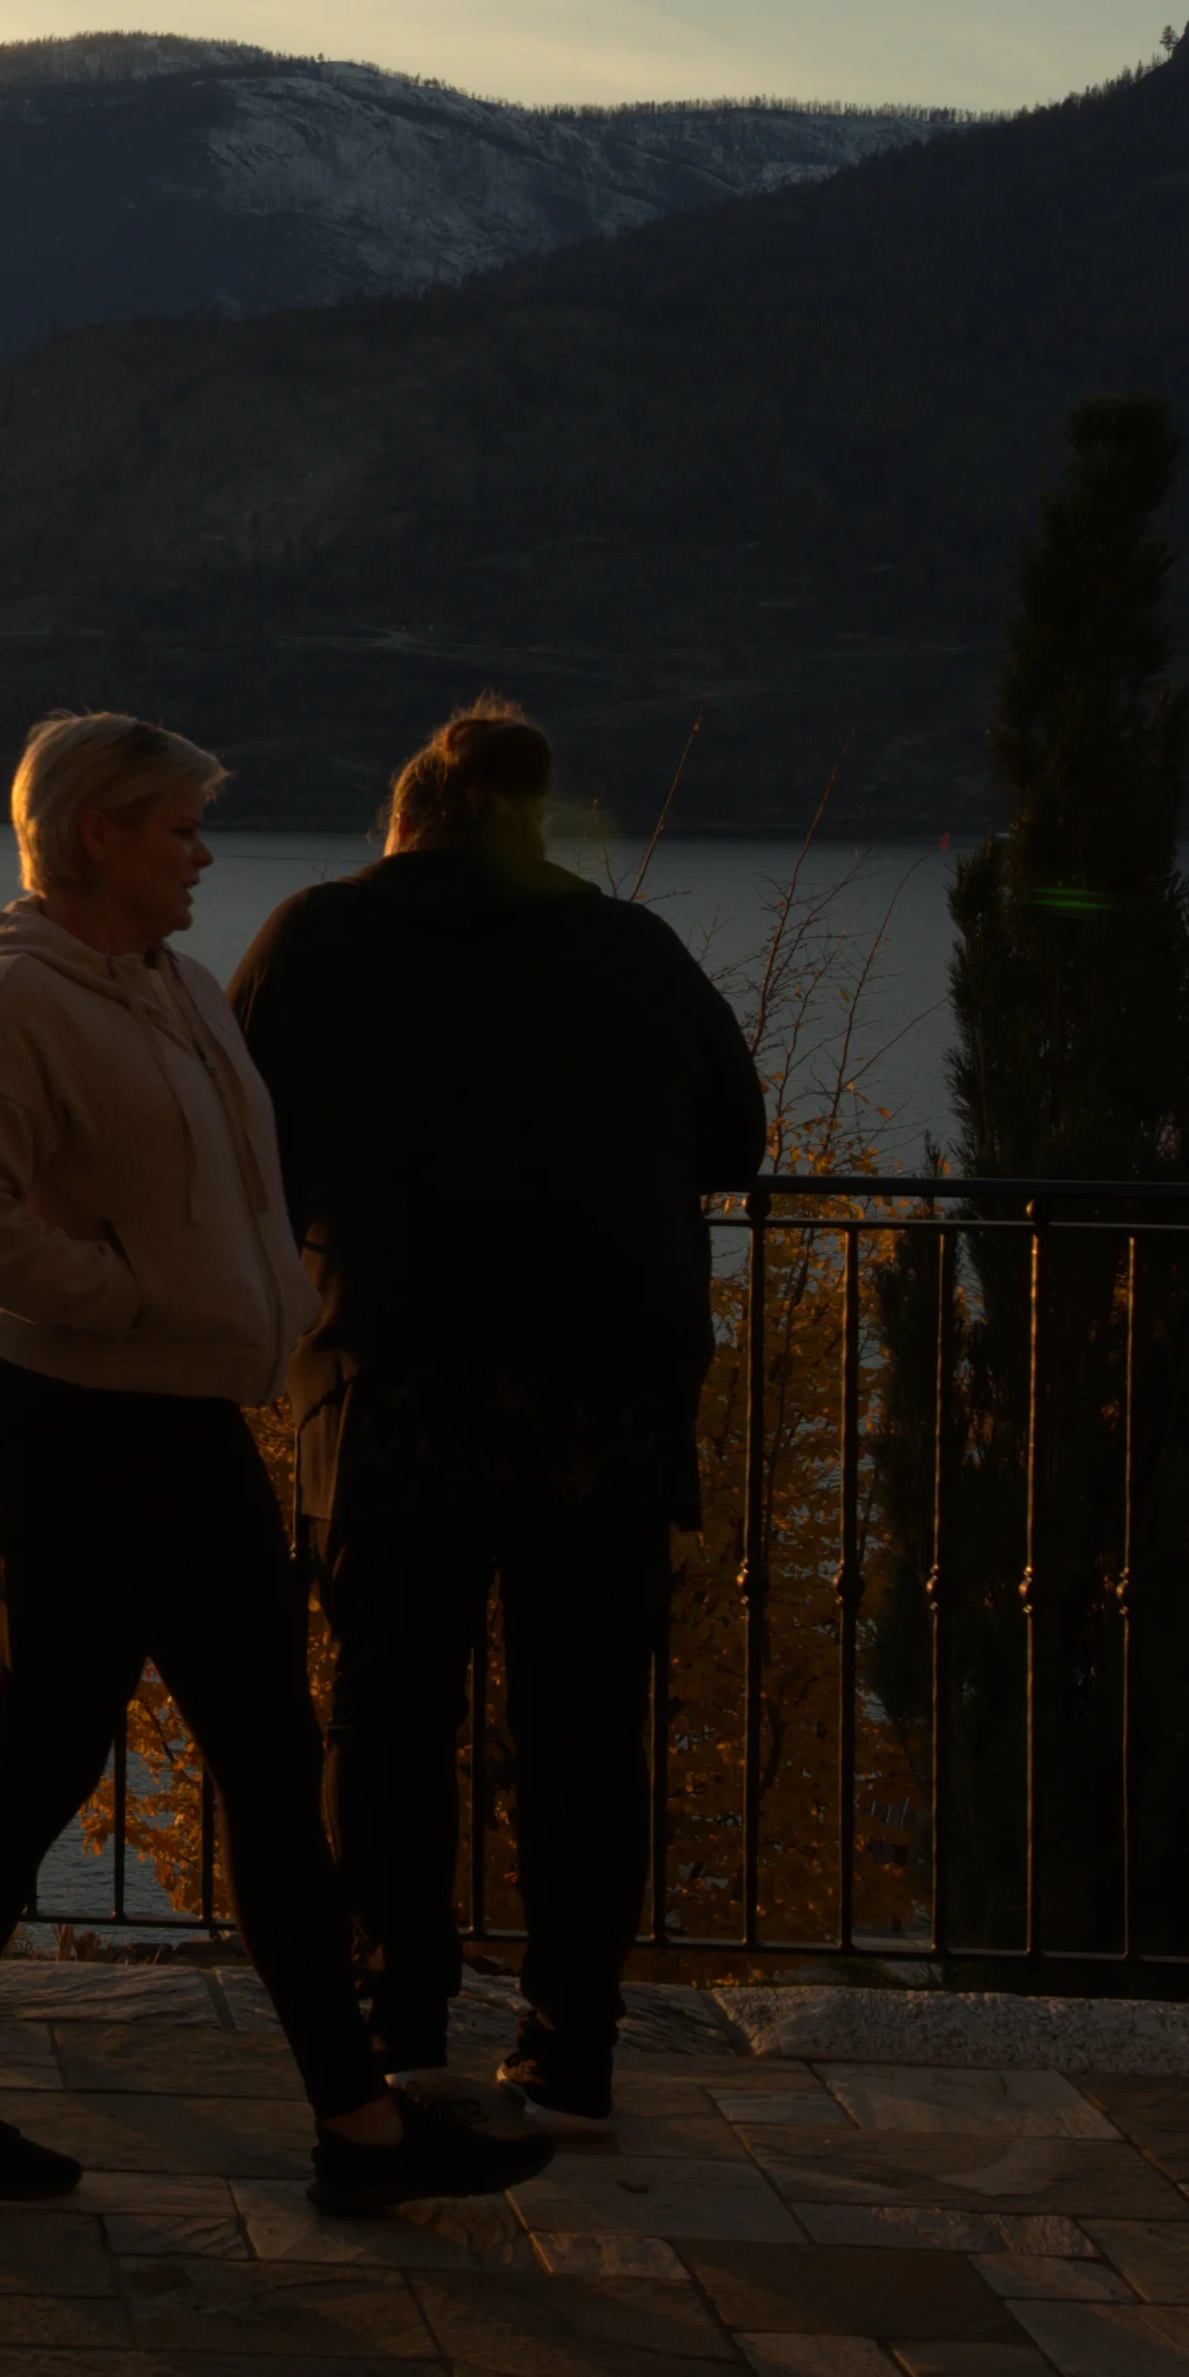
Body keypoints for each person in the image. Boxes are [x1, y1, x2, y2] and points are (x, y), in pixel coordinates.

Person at [0, 713, 546, 2220]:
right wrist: (148, 1297)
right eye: (177, 829)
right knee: (38, 1776)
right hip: (76, 1438)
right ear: (98, 835)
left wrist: (270, 1302)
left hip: (189, 1434)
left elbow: (240, 1187)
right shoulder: (18, 1003)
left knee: (274, 1778)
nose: (203, 856)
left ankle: (358, 2129)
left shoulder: (174, 989)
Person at [232, 700, 778, 2134]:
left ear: (406, 815)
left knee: (386, 1718)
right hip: (604, 1398)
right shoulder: (631, 950)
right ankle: (568, 2046)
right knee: (587, 1730)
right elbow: (735, 1137)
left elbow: (236, 1135)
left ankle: (396, 2027)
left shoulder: (317, 939)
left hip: (390, 1385)